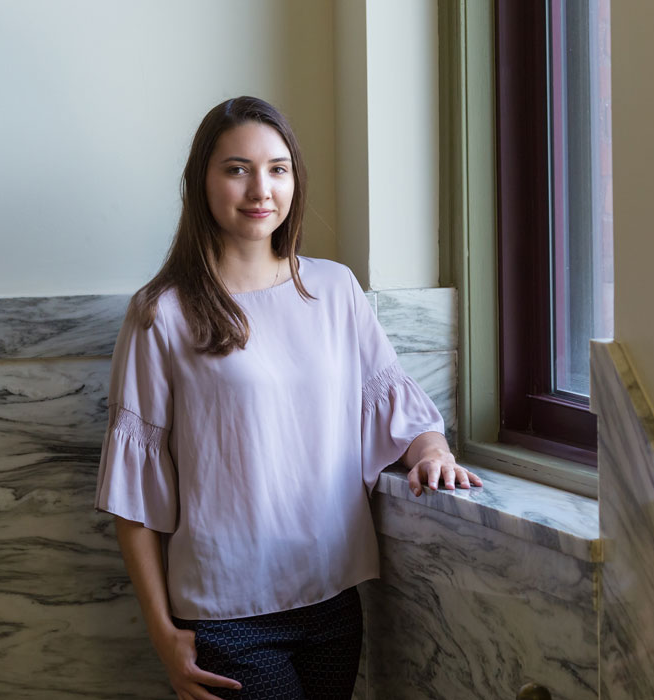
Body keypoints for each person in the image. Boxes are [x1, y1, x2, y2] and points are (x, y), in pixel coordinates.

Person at [94, 96, 482, 700]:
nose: (260, 189)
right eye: (236, 168)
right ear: (203, 180)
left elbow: (392, 405)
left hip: (332, 598)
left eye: (277, 169)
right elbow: (133, 496)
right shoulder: (162, 313)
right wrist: (163, 634)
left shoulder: (334, 288)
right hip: (226, 614)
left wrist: (433, 452)